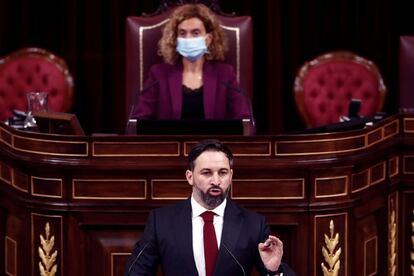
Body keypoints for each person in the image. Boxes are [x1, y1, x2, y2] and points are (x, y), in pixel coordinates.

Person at [125, 139, 296, 276]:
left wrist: (274, 271)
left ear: (231, 176)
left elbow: (277, 270)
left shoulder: (253, 224)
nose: (216, 181)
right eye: (206, 173)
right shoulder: (161, 221)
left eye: (222, 172)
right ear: (190, 176)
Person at [130, 4, 253, 123]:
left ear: (208, 39)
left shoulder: (225, 74)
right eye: (182, 33)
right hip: (172, 144)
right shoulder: (158, 74)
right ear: (175, 38)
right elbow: (138, 122)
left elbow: (244, 121)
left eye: (195, 33)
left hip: (213, 144)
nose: (188, 39)